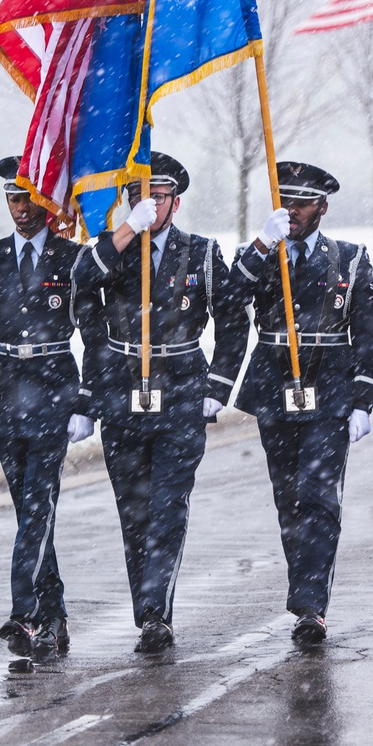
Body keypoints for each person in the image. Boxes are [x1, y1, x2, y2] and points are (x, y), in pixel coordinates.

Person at [73, 153, 249, 655]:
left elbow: (234, 321)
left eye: (159, 196)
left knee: (168, 505)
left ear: (176, 201)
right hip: (122, 390)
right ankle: (148, 609)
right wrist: (128, 229)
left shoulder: (201, 252)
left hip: (181, 390)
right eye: (138, 196)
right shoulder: (115, 248)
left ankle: (156, 613)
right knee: (134, 511)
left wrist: (218, 386)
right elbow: (83, 280)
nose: (149, 203)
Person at [231, 161, 373, 646]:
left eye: (303, 203)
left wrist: (364, 399)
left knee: (319, 496)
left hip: (330, 390)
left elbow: (369, 334)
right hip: (275, 387)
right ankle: (306, 589)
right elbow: (231, 298)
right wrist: (260, 245)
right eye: (285, 202)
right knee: (289, 500)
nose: (292, 211)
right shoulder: (261, 254)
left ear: (323, 207)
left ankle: (311, 605)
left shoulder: (351, 259)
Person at [0, 158, 95, 666]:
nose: (19, 208)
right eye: (13, 199)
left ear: (46, 199)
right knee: (30, 515)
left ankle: (26, 613)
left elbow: (94, 333)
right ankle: (54, 616)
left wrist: (85, 401)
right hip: (8, 391)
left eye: (28, 198)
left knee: (38, 507)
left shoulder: (70, 257)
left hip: (54, 389)